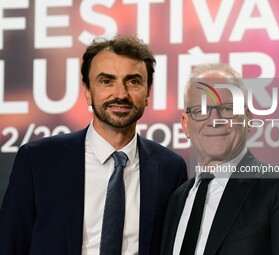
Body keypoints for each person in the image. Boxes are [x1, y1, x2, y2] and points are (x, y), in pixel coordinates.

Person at [0, 35, 188, 255]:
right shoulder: (38, 160)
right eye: (106, 81)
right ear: (88, 92)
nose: (120, 94)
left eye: (133, 81)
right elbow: (9, 245)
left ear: (147, 93)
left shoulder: (170, 168)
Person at [160, 63, 279, 255]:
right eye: (201, 111)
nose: (215, 121)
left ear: (248, 118)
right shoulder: (177, 199)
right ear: (186, 125)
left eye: (228, 109)